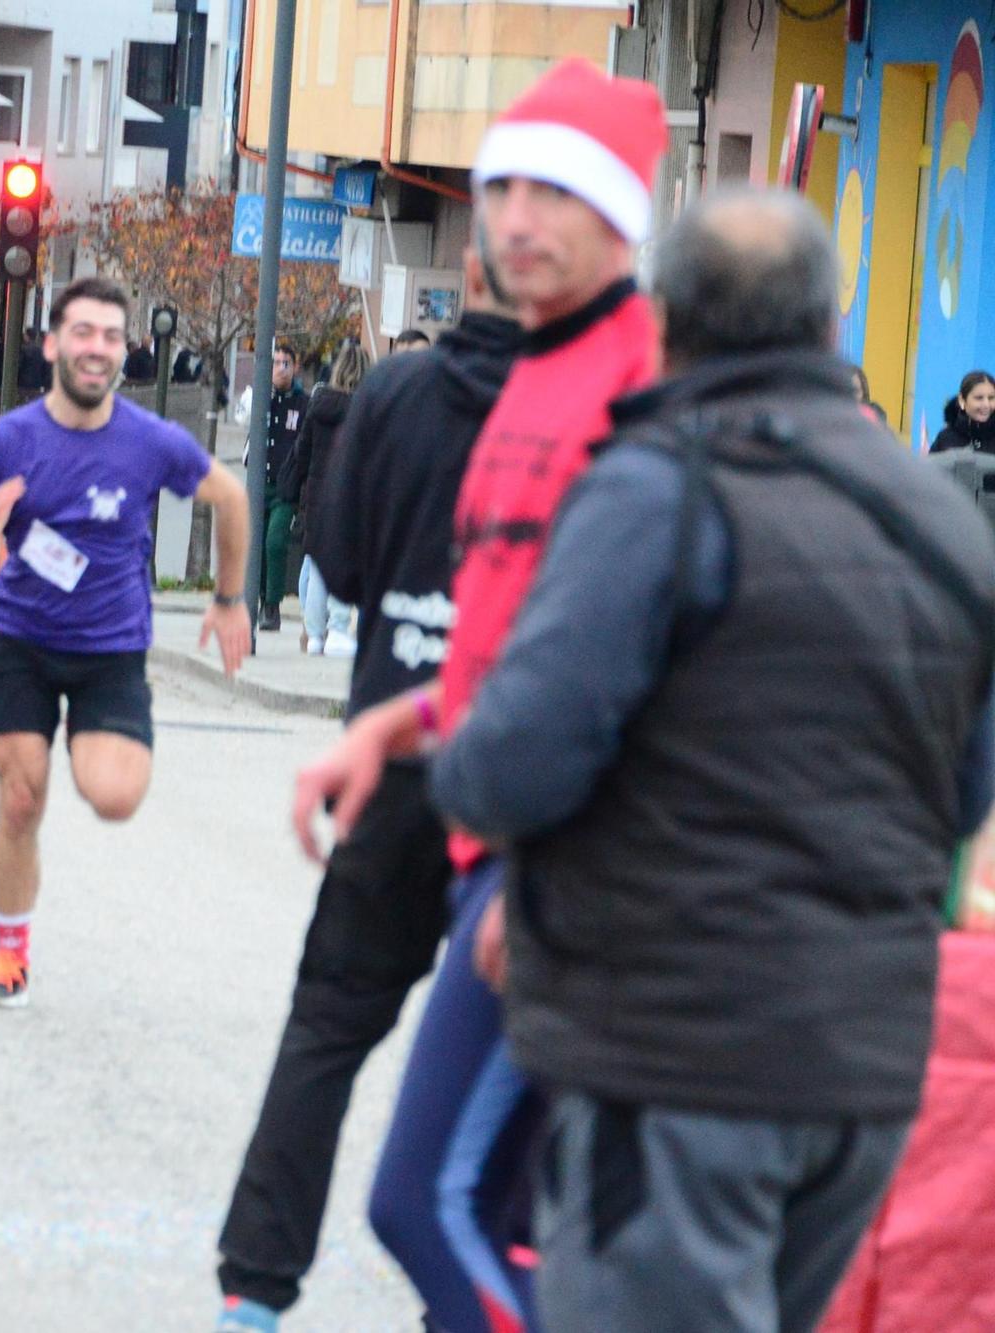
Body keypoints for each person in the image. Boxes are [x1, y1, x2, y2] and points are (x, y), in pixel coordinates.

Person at [434, 186, 995, 1333]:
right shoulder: (937, 516)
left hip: (675, 1057)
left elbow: (510, 767)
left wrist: (449, 744)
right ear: (826, 325)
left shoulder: (658, 487)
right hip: (860, 1073)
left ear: (663, 320)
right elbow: (967, 791)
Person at [287, 58, 666, 1333]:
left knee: (424, 1205)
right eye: (500, 185)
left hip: (563, 862)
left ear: (622, 217)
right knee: (503, 1215)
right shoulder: (533, 374)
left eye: (552, 193)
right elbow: (513, 639)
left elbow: (630, 661)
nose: (513, 220)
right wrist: (394, 726)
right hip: (476, 830)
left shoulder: (641, 391)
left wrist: (544, 867)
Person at [213, 253, 519, 1333]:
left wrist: (411, 599)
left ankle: (254, 1287)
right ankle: (486, 1287)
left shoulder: (395, 392)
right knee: (519, 1057)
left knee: (327, 1027)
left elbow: (335, 566)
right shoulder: (593, 408)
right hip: (525, 783)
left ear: (469, 271)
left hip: (389, 765)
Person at [0, 277, 252, 1007]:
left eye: (112, 337)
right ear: (53, 344)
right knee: (21, 798)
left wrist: (230, 598)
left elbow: (231, 497)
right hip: (19, 640)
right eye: (84, 333)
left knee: (113, 796)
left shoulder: (149, 441)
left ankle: (92, 748)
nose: (97, 349)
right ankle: (9, 955)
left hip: (110, 650)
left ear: (124, 352)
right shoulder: (12, 439)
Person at [283, 346, 370, 655]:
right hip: (350, 495)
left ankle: (315, 634)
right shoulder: (365, 409)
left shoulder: (318, 406)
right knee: (345, 562)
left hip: (317, 495)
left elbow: (302, 452)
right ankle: (338, 628)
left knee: (318, 564)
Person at [257, 340, 310, 633]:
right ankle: (258, 596)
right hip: (259, 483)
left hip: (285, 487)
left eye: (285, 363)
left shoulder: (302, 403)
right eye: (275, 363)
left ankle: (271, 605)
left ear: (295, 366)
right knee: (258, 544)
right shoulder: (262, 398)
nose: (280, 368)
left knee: (275, 541)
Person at [929, 369, 995, 453]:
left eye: (991, 398)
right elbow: (930, 465)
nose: (986, 405)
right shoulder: (945, 438)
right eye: (979, 398)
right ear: (962, 400)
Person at [18, 327, 51, 393]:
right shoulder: (41, 350)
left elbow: (19, 365)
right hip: (37, 382)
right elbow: (45, 368)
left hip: (23, 382)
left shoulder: (23, 349)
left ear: (27, 336)